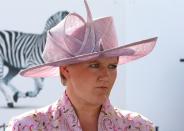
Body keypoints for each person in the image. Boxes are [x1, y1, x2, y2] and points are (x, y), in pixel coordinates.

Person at [7, 0, 158, 130]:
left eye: (112, 66)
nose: (106, 75)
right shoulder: (27, 127)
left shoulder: (139, 127)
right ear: (65, 69)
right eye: (94, 65)